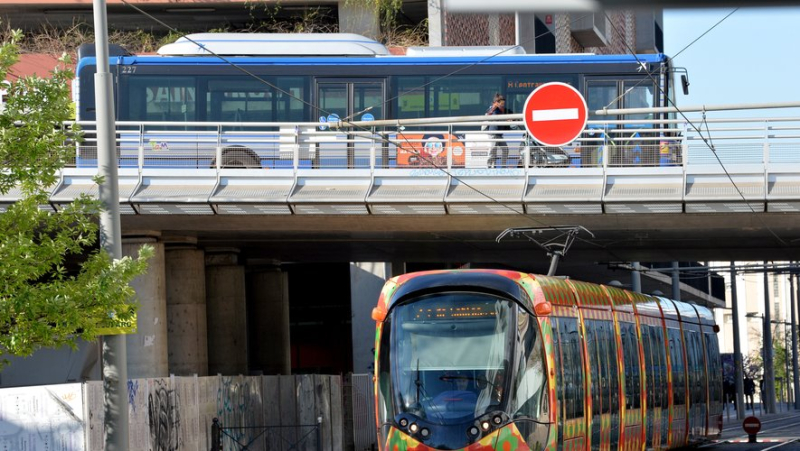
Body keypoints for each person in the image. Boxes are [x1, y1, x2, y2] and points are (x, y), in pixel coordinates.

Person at [485, 93, 513, 168]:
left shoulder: (501, 111)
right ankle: (489, 166)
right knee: (493, 151)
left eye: (503, 103)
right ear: (497, 103)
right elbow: (488, 115)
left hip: (499, 134)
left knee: (505, 149)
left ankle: (503, 166)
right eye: (501, 103)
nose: (503, 105)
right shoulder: (493, 109)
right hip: (493, 134)